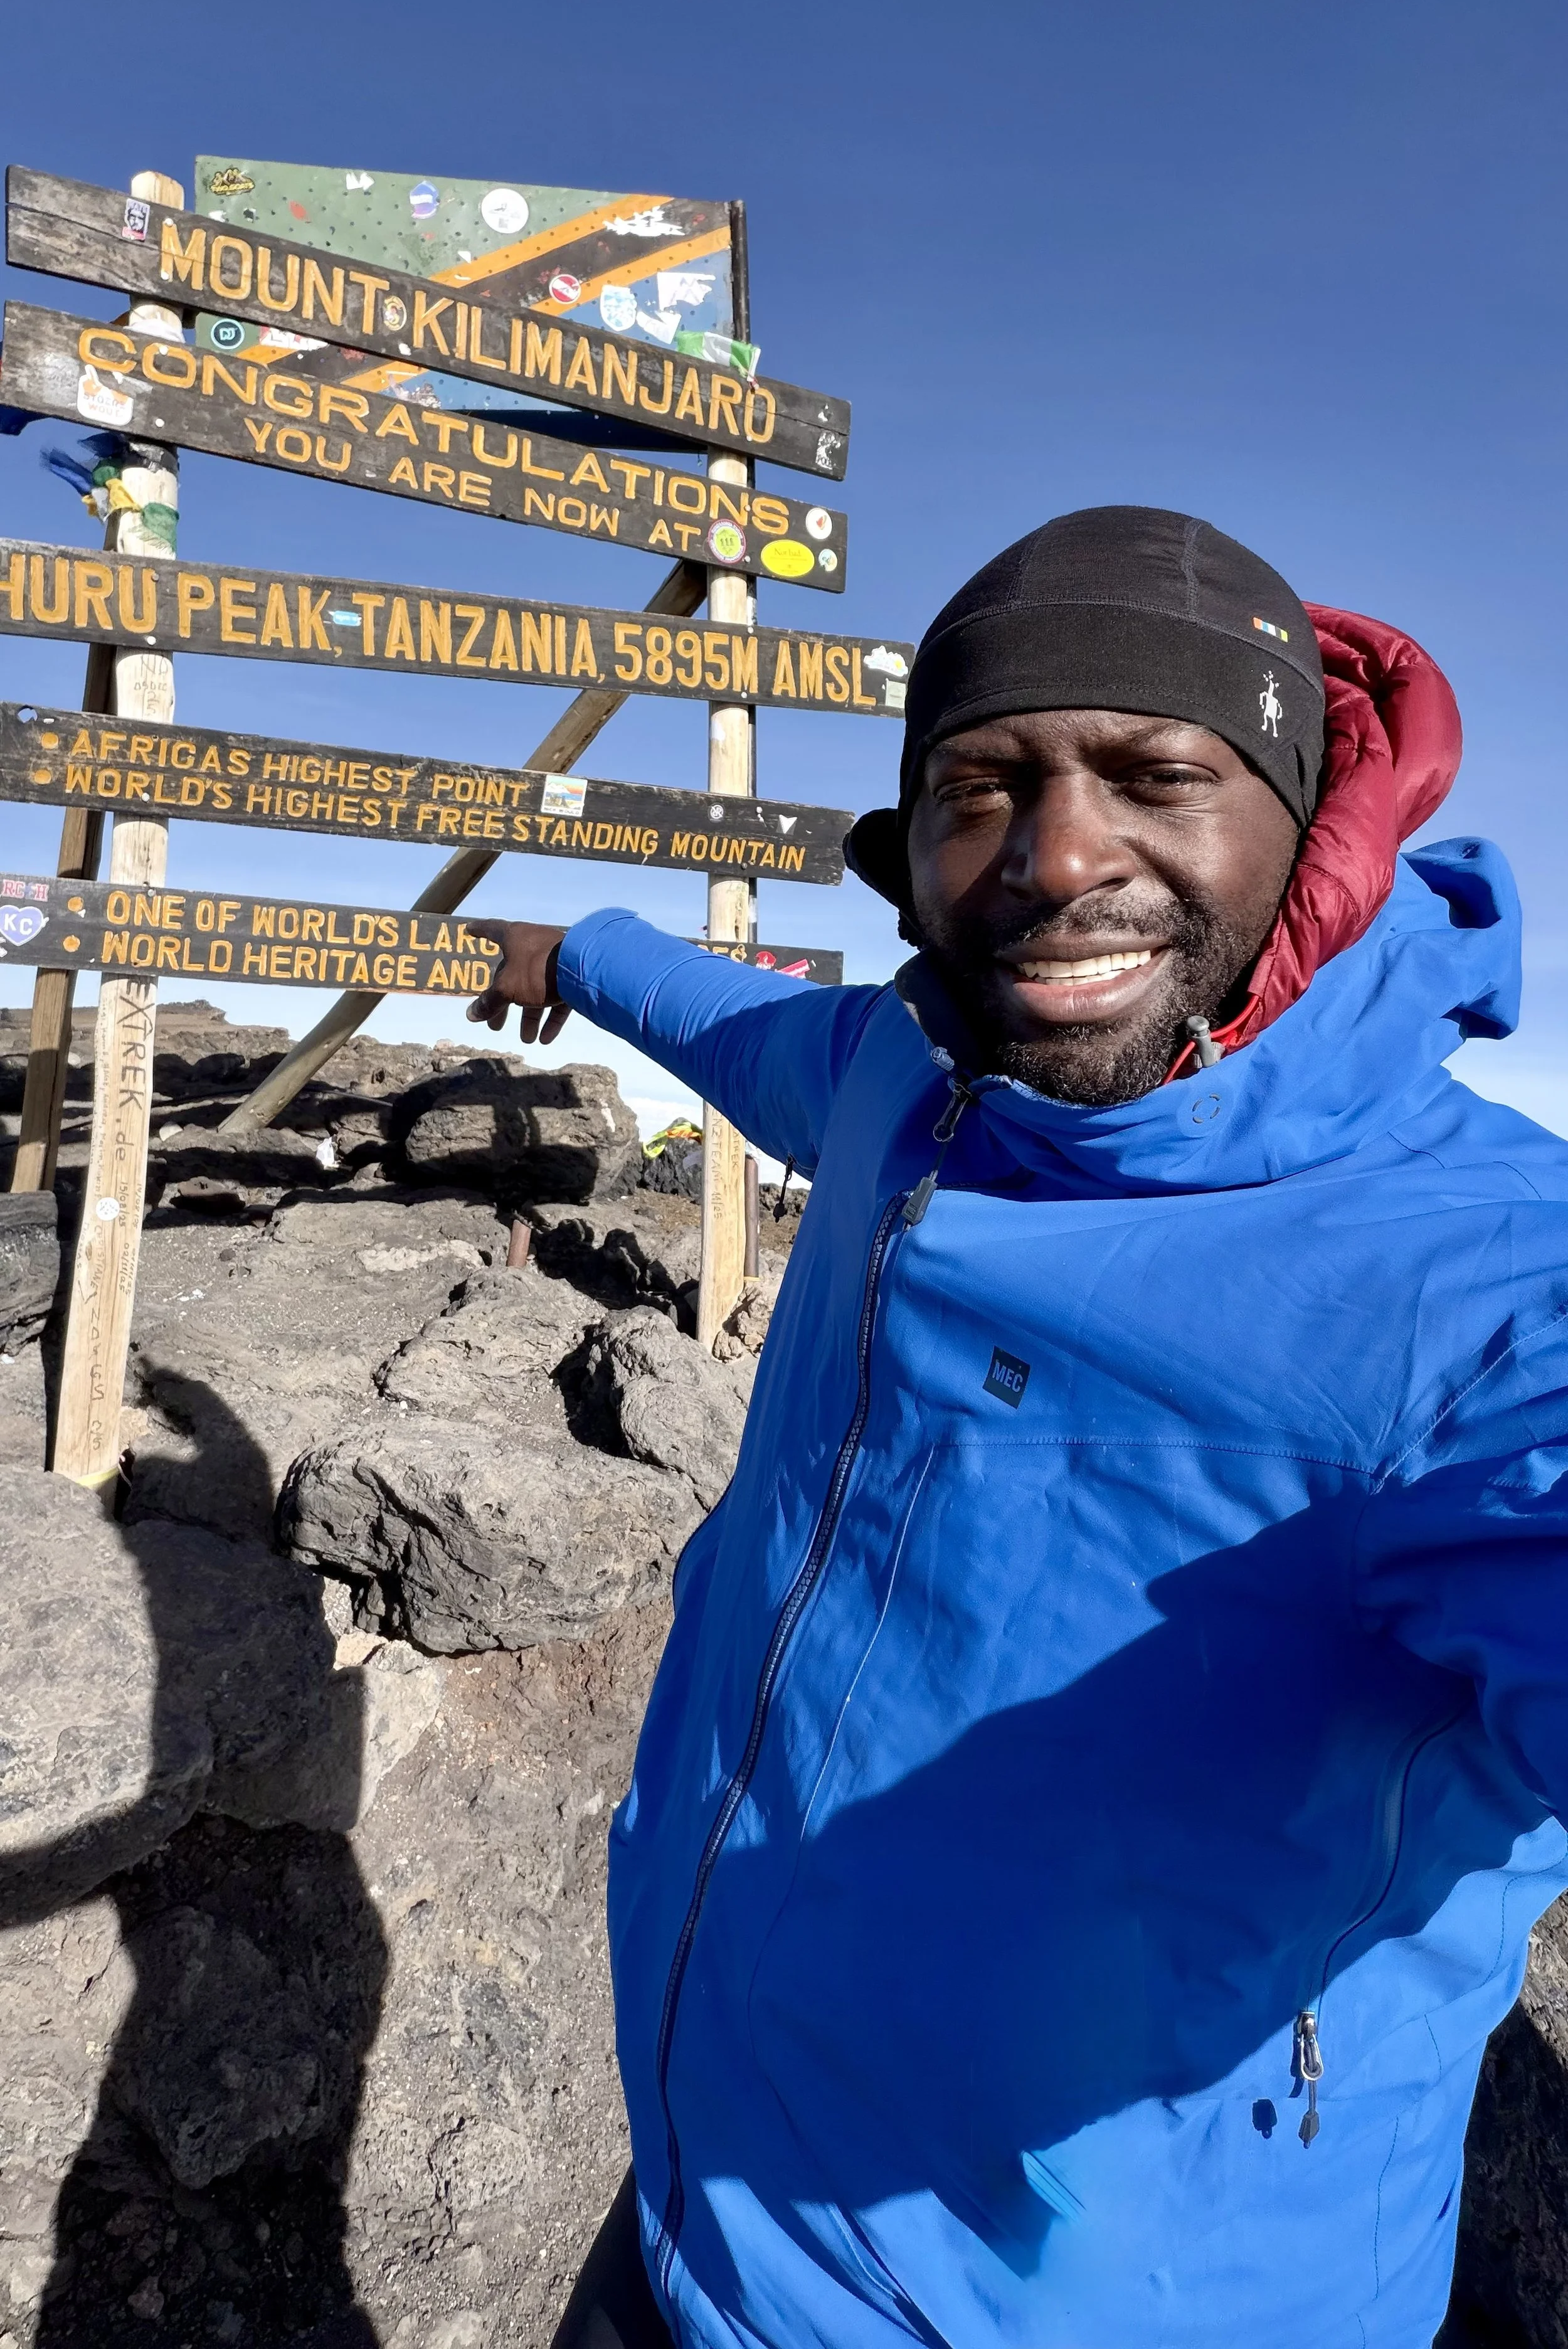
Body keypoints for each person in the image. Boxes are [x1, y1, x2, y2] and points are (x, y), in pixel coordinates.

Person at [477, 506, 1568, 2349]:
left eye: (1155, 774)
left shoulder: (1482, 1288)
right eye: (982, 788)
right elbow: (737, 1020)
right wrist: (572, 944)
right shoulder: (906, 1076)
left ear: (1304, 816)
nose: (1060, 855)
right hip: (708, 2202)